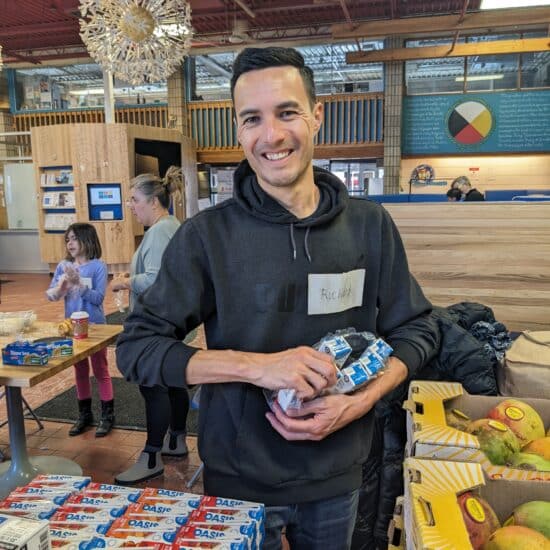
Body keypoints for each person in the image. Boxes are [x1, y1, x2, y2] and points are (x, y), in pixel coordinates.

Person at [116, 47, 437, 549]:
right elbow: (138, 349)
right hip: (238, 481)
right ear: (238, 130)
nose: (272, 135)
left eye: (287, 112)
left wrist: (365, 399)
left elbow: (417, 329)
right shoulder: (206, 237)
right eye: (252, 119)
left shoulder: (369, 226)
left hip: (338, 475)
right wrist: (258, 367)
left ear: (316, 116)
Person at [112, 166, 190, 484]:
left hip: (155, 322)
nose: (130, 206)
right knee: (172, 382)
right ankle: (177, 439)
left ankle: (152, 456)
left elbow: (157, 278)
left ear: (153, 202)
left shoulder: (159, 231)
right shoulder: (170, 225)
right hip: (170, 319)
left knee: (152, 385)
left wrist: (125, 282)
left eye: (134, 200)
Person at [46, 223, 114, 437]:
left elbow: (98, 298)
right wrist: (61, 288)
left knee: (101, 370)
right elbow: (51, 296)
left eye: (74, 238)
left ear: (88, 240)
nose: (70, 243)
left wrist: (80, 285)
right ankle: (85, 415)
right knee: (80, 371)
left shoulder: (98, 267)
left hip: (95, 328)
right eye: (68, 239)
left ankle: (107, 416)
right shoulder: (63, 266)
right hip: (72, 328)